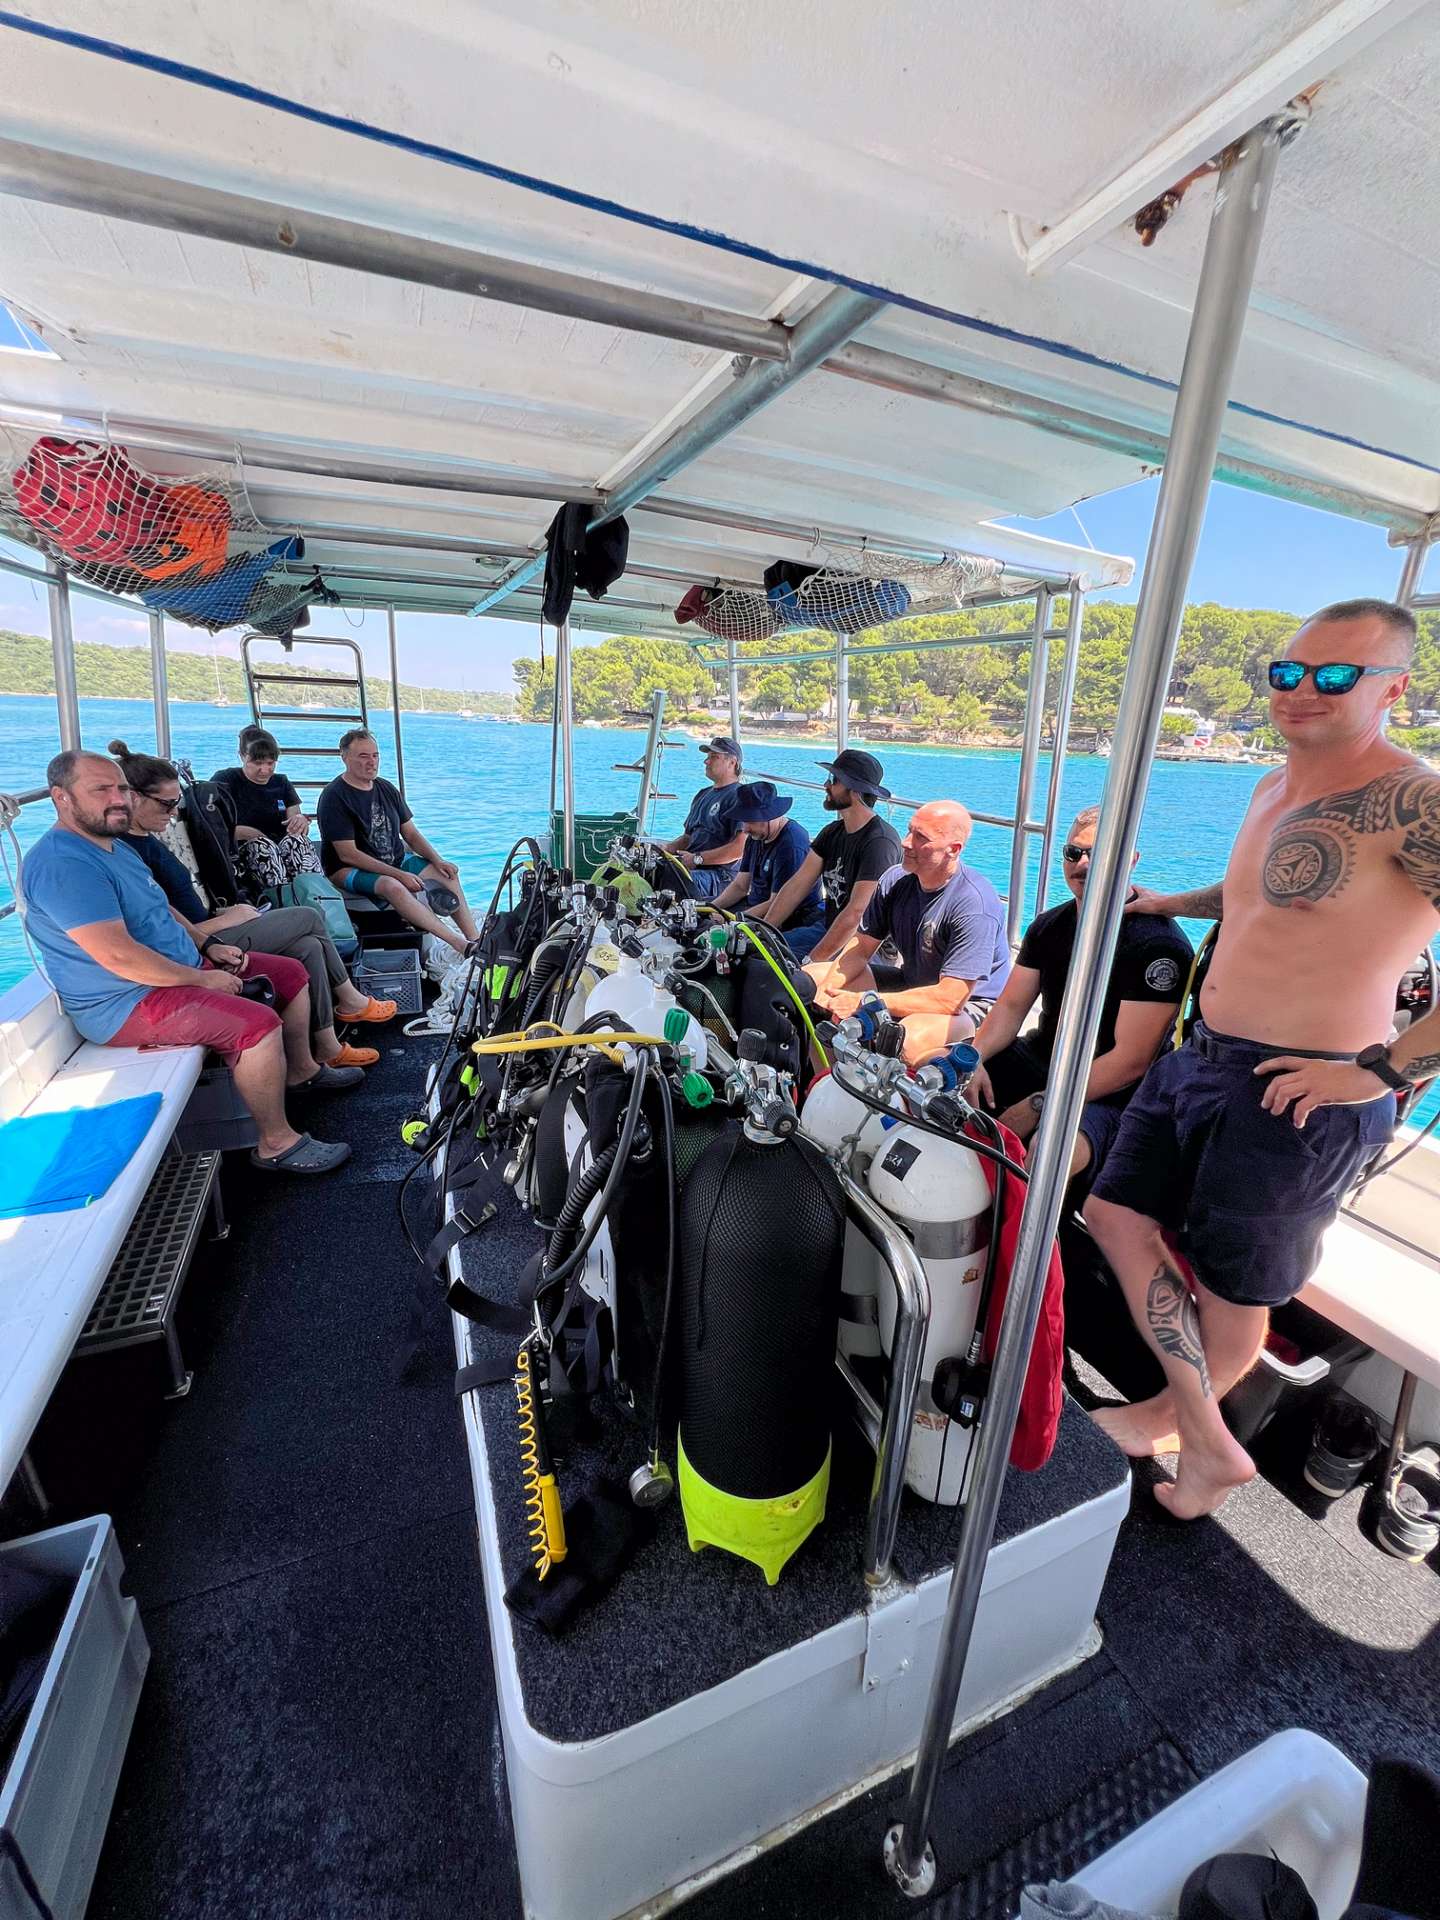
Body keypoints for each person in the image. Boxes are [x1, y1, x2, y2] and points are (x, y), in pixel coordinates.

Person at [1084, 598, 1440, 1520]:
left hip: (1303, 1089)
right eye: (1288, 673)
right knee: (1115, 1215)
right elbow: (1262, 893)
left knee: (1237, 1280)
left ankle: (1194, 1437)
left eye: (1335, 676)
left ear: (1394, 687)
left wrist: (1381, 1072)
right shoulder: (1272, 785)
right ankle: (1198, 1426)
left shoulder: (1417, 802)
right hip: (1201, 1059)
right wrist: (1172, 897)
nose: (1303, 693)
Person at [22, 751, 351, 1174]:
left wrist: (207, 943)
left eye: (121, 787)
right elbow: (117, 955)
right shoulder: (62, 864)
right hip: (128, 1001)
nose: (118, 799)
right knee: (256, 1025)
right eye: (101, 789)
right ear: (60, 797)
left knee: (289, 974)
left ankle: (301, 1070)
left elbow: (161, 907)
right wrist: (201, 979)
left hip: (178, 969)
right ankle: (276, 1143)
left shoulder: (113, 846)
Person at [110, 741, 395, 1070]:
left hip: (215, 927)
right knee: (308, 917)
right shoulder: (129, 854)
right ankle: (349, 1000)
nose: (175, 813)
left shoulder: (149, 839)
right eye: (167, 805)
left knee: (307, 946)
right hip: (207, 942)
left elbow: (170, 910)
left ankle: (322, 1051)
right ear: (133, 797)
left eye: (177, 803)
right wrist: (224, 923)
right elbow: (156, 932)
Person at [969, 805, 1193, 1178]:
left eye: (1098, 852)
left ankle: (1021, 1232)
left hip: (1115, 1091)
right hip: (1045, 1059)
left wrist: (1042, 1104)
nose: (1083, 863)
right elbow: (1009, 1009)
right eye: (1073, 852)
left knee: (1051, 1150)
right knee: (943, 1079)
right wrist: (972, 1057)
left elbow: (1131, 1061)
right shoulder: (1047, 927)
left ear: (1131, 859)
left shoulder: (1157, 945)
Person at [813, 799, 1011, 1065]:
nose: (906, 842)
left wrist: (864, 1002)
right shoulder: (896, 880)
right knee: (811, 979)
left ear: (953, 850)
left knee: (907, 1039)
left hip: (969, 1006)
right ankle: (822, 1085)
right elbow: (860, 949)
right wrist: (825, 993)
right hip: (914, 981)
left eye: (921, 838)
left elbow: (950, 999)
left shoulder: (974, 905)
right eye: (909, 831)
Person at [317, 729, 479, 960]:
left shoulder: (385, 788)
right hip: (347, 869)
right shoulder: (334, 796)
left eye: (375, 755)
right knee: (392, 886)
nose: (371, 762)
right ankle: (460, 945)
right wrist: (400, 875)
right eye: (363, 756)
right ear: (344, 757)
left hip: (394, 859)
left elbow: (411, 834)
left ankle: (475, 940)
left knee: (447, 875)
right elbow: (348, 854)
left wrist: (438, 860)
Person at [758, 749, 902, 963]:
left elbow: (857, 913)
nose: (826, 785)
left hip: (866, 945)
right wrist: (764, 933)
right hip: (830, 927)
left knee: (791, 977)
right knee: (760, 955)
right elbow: (797, 885)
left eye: (834, 780)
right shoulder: (832, 832)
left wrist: (811, 963)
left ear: (855, 789)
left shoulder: (880, 843)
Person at [211, 726, 324, 895]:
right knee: (263, 847)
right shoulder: (225, 781)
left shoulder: (282, 783)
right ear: (242, 756)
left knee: (298, 843)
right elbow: (211, 825)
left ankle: (320, 897)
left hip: (281, 848)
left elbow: (294, 820)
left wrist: (299, 821)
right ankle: (281, 900)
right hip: (246, 851)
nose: (265, 770)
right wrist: (249, 833)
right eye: (257, 763)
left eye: (270, 763)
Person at [712, 782, 825, 941]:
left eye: (750, 821)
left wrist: (733, 919)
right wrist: (712, 908)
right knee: (703, 916)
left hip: (788, 918)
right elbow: (740, 886)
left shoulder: (791, 844)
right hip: (753, 905)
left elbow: (777, 903)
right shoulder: (756, 836)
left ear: (771, 816)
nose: (745, 829)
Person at [661, 737, 745, 898]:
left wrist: (698, 859)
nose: (706, 762)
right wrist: (665, 849)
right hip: (694, 867)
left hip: (721, 876)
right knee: (649, 869)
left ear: (732, 762)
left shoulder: (739, 797)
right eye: (707, 757)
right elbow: (687, 838)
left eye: (714, 757)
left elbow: (740, 848)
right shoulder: (702, 795)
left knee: (671, 880)